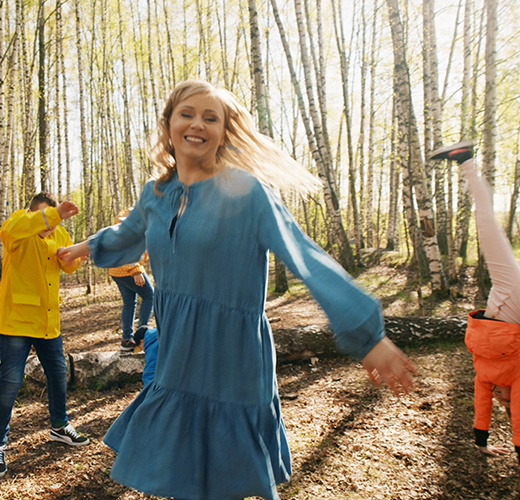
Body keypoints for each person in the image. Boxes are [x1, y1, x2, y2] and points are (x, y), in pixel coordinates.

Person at [58, 80, 417, 500]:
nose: (197, 124)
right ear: (169, 124)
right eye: (187, 114)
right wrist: (85, 246)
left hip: (233, 354)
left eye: (211, 118)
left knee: (226, 480)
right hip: (178, 351)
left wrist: (366, 333)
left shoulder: (248, 193)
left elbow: (304, 256)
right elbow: (129, 233)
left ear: (224, 131)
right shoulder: (156, 193)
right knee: (185, 475)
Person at [0, 192, 90, 480]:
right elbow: (14, 230)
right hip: (16, 322)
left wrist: (76, 255)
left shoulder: (58, 233)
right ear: (33, 213)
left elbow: (68, 266)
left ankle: (59, 425)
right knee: (10, 382)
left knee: (58, 373)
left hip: (47, 322)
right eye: (48, 219)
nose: (52, 226)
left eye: (56, 221)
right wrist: (55, 214)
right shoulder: (17, 224)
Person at [429, 140, 520, 464]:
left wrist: (481, 443)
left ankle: (464, 160)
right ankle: (465, 161)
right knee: (487, 225)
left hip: (506, 293)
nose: (497, 397)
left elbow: (482, 408)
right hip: (513, 299)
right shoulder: (516, 379)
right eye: (504, 401)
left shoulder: (486, 376)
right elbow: (519, 426)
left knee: (487, 226)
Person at [108, 208, 154, 351]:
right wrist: (136, 270)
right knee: (149, 295)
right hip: (127, 268)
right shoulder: (133, 216)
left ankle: (126, 340)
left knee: (129, 302)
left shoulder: (129, 214)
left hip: (116, 269)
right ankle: (142, 331)